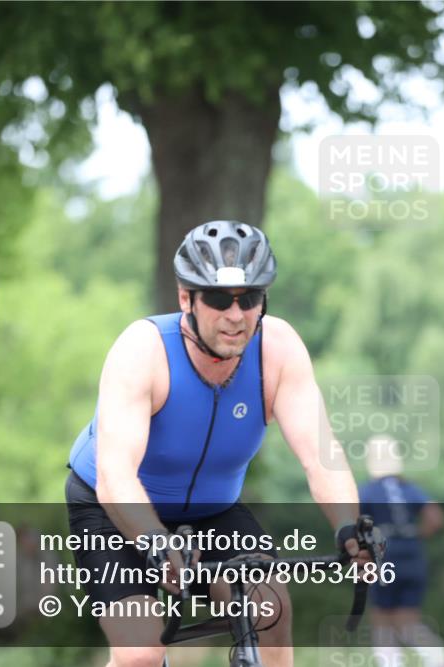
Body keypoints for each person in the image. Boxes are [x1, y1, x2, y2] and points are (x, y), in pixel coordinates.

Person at [65, 221, 370, 667]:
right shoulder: (143, 350)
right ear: (186, 298)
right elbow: (115, 477)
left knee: (272, 610)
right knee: (141, 654)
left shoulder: (278, 349)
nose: (235, 315)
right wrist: (155, 542)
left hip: (214, 511)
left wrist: (349, 527)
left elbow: (320, 455)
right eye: (218, 299)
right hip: (112, 508)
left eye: (249, 299)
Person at [358, 435, 444, 667]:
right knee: (408, 620)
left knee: (382, 620)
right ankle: (437, 658)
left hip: (384, 557)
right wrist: (416, 534)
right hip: (413, 556)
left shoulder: (368, 491)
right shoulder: (410, 489)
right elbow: (436, 519)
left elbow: (356, 524)